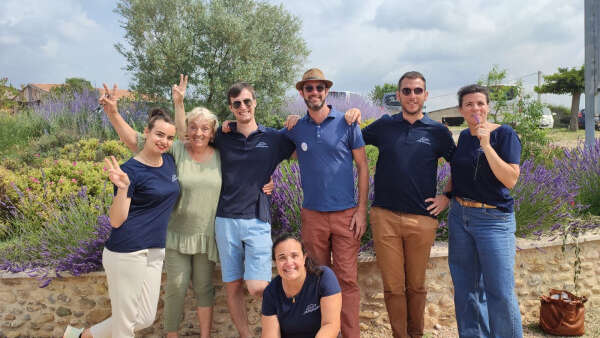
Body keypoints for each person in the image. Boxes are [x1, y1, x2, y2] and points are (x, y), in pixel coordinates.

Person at [99, 78, 274, 337]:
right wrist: (114, 113)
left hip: (207, 235)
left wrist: (264, 180)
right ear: (187, 131)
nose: (199, 133)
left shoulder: (220, 154)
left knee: (204, 288)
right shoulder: (177, 151)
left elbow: (245, 165)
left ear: (212, 132)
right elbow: (138, 141)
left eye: (205, 129)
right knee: (177, 287)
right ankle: (171, 334)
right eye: (194, 128)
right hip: (175, 235)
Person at [346, 71, 456, 337]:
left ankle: (416, 334)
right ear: (398, 95)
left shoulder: (438, 132)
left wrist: (446, 197)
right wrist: (350, 117)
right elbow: (350, 139)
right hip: (385, 218)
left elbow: (460, 165)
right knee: (393, 287)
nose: (412, 96)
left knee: (416, 286)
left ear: (425, 95)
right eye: (406, 91)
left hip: (422, 220)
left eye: (417, 91)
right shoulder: (385, 126)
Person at [182, 81, 295, 338]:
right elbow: (190, 134)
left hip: (257, 219)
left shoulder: (274, 139)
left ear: (255, 102)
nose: (243, 107)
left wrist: (296, 121)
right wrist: (180, 104)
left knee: (257, 287)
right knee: (232, 287)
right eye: (236, 104)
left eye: (247, 101)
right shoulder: (222, 136)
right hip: (224, 220)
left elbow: (304, 151)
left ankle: (286, 327)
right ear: (231, 108)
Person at [63, 104, 180, 338]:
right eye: (159, 134)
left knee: (144, 317)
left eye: (169, 137)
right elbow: (116, 221)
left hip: (155, 251)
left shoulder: (169, 162)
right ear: (146, 133)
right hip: (128, 252)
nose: (164, 141)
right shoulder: (129, 171)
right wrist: (123, 189)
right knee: (125, 325)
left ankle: (83, 336)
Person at [281, 68, 368, 338]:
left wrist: (361, 211)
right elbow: (265, 145)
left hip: (345, 215)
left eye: (319, 88)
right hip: (313, 217)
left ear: (326, 91)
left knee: (347, 281)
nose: (315, 92)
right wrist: (228, 128)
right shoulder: (296, 129)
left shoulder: (347, 123)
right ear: (302, 93)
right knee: (316, 280)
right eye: (309, 88)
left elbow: (363, 166)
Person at [447, 84, 523, 337]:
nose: (475, 108)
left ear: (488, 107)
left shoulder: (505, 134)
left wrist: (487, 145)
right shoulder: (464, 137)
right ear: (461, 109)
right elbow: (459, 175)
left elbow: (510, 179)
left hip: (493, 220)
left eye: (480, 103)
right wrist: (446, 197)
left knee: (499, 291)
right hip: (460, 217)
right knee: (466, 288)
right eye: (469, 104)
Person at [261, 234, 342, 338]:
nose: (289, 263)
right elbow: (270, 335)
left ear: (304, 258)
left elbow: (331, 325)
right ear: (275, 262)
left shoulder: (323, 277)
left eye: (294, 256)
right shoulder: (270, 292)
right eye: (282, 258)